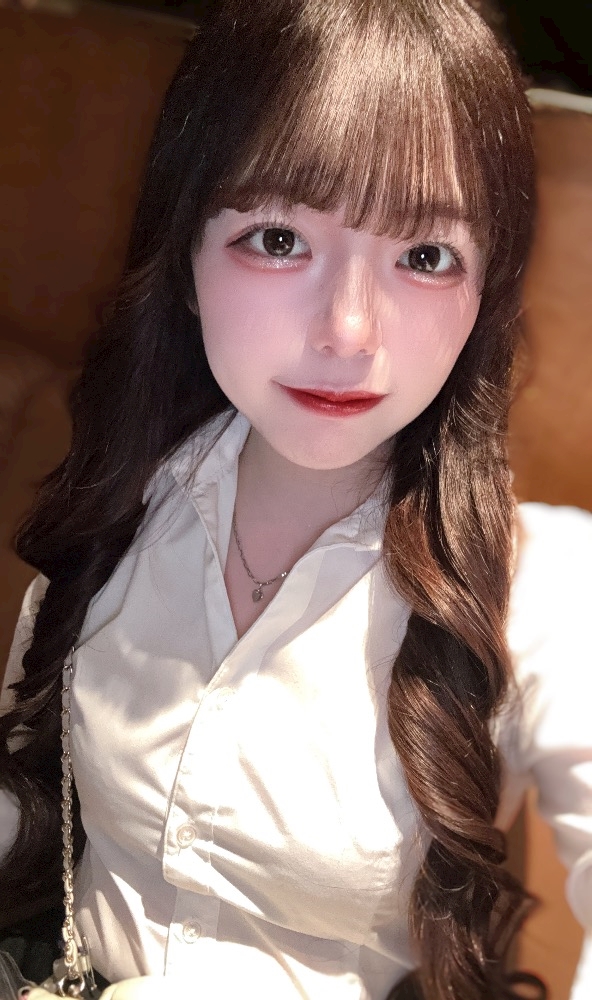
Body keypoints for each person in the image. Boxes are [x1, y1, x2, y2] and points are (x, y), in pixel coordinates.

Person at [0, 0, 590, 997]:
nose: (348, 330)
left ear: (486, 288)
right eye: (277, 238)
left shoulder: (541, 588)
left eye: (425, 256)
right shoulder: (123, 497)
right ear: (184, 257)